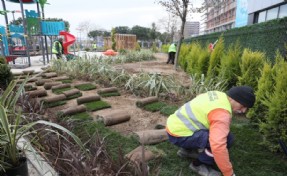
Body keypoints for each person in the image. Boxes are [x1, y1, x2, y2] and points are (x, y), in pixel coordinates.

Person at [166, 86, 256, 176]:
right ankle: (198, 165)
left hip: (174, 127)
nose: (244, 110)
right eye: (243, 106)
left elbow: (199, 98)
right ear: (234, 99)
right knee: (227, 140)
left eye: (246, 108)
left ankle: (186, 151)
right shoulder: (222, 114)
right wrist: (229, 173)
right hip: (180, 136)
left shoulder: (217, 94)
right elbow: (218, 147)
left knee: (213, 132)